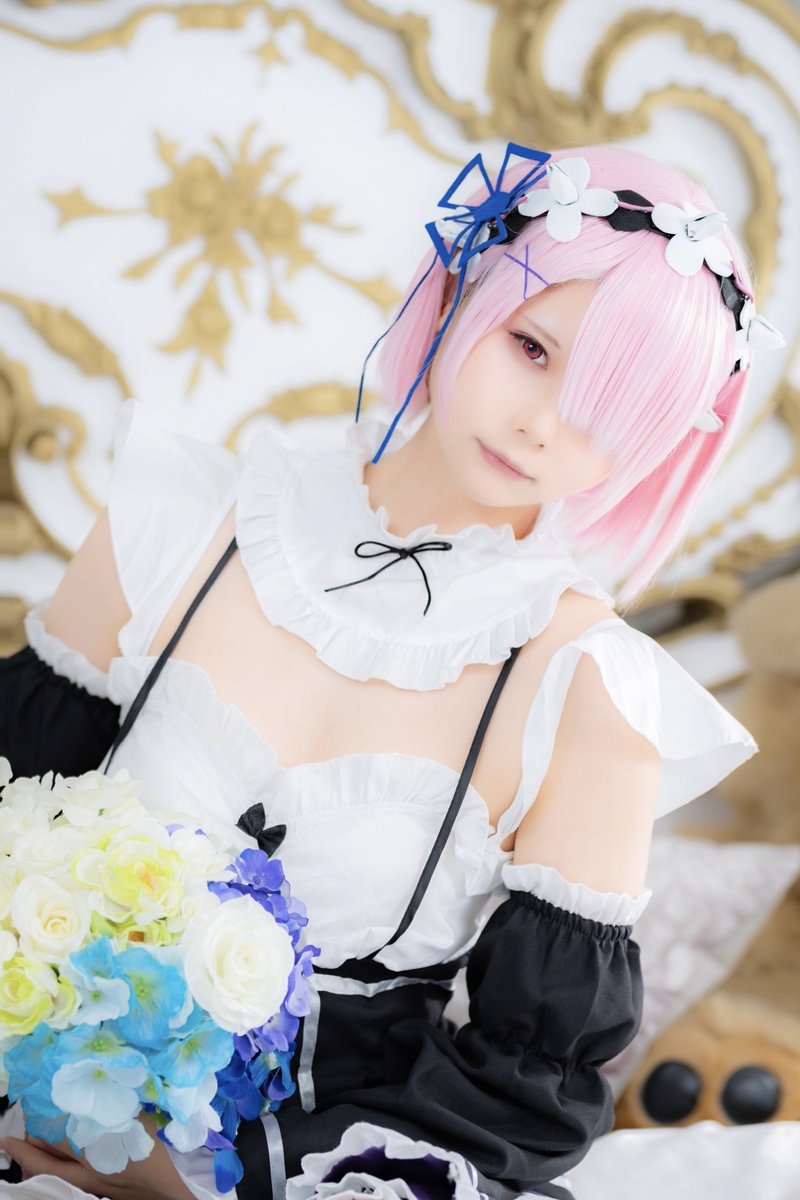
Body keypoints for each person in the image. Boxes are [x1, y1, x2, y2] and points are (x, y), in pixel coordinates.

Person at [0, 141, 781, 1200]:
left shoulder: (590, 688)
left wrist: (193, 1190)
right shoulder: (173, 519)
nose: (540, 424)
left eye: (609, 408)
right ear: (459, 289)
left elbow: (521, 1092)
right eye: (532, 348)